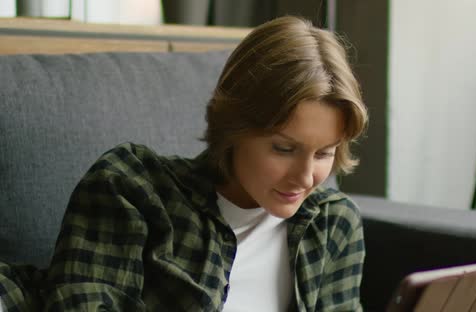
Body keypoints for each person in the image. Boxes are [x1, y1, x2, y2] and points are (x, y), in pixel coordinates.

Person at [0, 15, 368, 311]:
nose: (305, 178)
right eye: (283, 149)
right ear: (233, 127)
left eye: (324, 153)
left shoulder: (333, 225)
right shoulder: (134, 188)